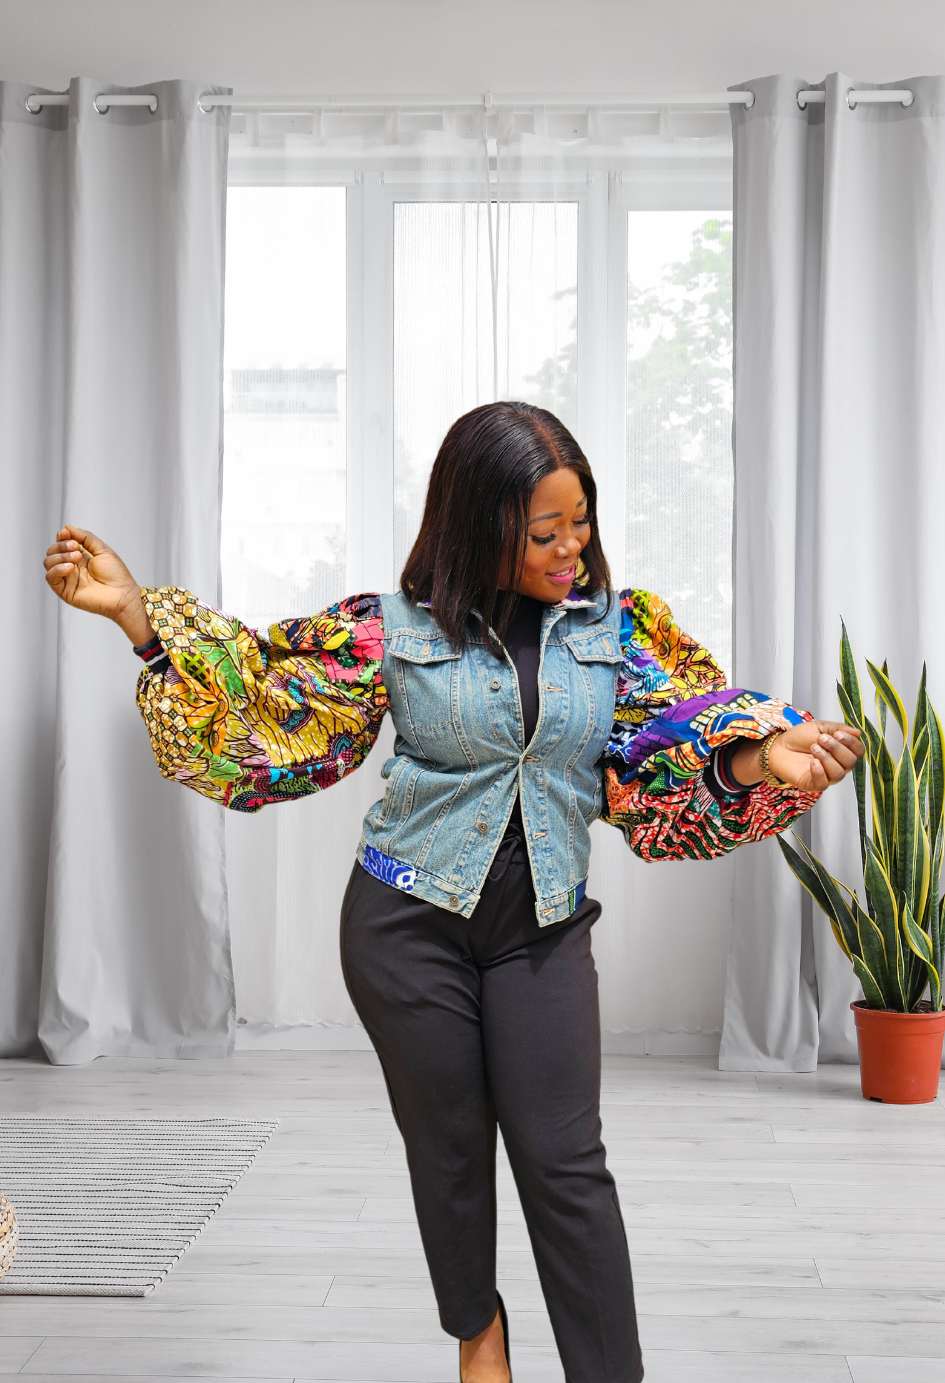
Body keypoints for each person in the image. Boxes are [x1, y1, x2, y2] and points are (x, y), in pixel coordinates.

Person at [43, 400, 863, 1383]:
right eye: (543, 531)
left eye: (581, 523)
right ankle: (479, 1336)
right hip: (403, 930)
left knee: (567, 1169)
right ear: (480, 526)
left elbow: (670, 763)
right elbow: (263, 699)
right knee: (451, 1150)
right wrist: (138, 617)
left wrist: (761, 760)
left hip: (542, 933)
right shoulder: (385, 631)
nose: (571, 549)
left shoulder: (619, 633)